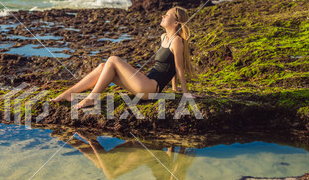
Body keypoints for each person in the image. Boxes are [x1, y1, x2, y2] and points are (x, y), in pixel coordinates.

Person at [50, 6, 199, 109]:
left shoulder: (177, 41)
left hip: (150, 88)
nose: (163, 16)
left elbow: (179, 68)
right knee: (103, 67)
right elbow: (171, 65)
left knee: (113, 59)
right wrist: (174, 88)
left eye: (167, 15)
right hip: (145, 84)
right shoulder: (164, 37)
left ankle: (91, 98)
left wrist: (185, 94)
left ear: (175, 22)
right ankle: (69, 94)